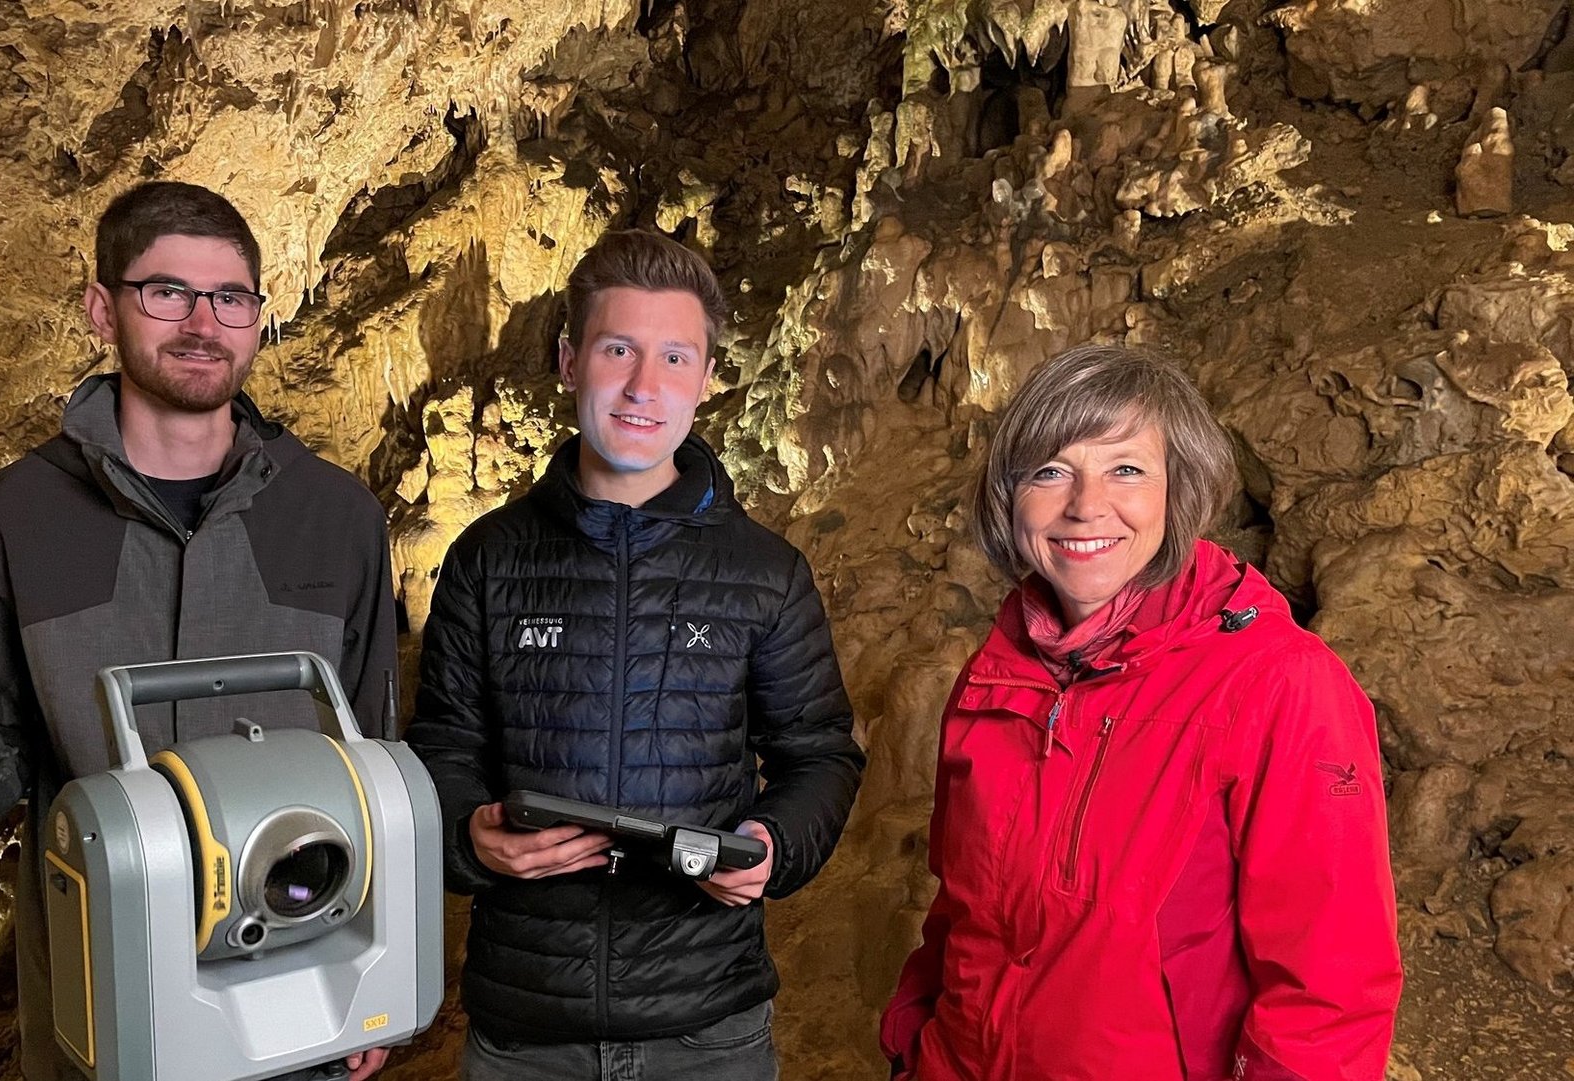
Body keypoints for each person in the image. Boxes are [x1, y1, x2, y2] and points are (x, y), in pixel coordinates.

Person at [0, 181, 398, 1081]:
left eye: (231, 297)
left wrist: (377, 973)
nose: (201, 322)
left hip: (291, 996)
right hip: (100, 1011)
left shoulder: (337, 517)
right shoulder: (18, 515)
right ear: (104, 309)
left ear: (256, 319)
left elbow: (372, 757)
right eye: (166, 292)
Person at [404, 229, 866, 1080]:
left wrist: (771, 842)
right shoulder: (487, 559)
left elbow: (820, 753)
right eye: (618, 349)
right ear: (570, 359)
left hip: (708, 1030)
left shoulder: (764, 572)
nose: (644, 386)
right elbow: (441, 747)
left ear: (706, 380)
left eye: (675, 358)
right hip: (525, 1031)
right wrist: (470, 837)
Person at [880, 344, 1401, 1080]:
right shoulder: (994, 678)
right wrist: (912, 1045)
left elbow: (1330, 991)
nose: (1086, 505)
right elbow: (961, 915)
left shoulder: (1280, 685)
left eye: (1126, 468)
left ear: (1177, 490)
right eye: (1050, 470)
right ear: (1011, 498)